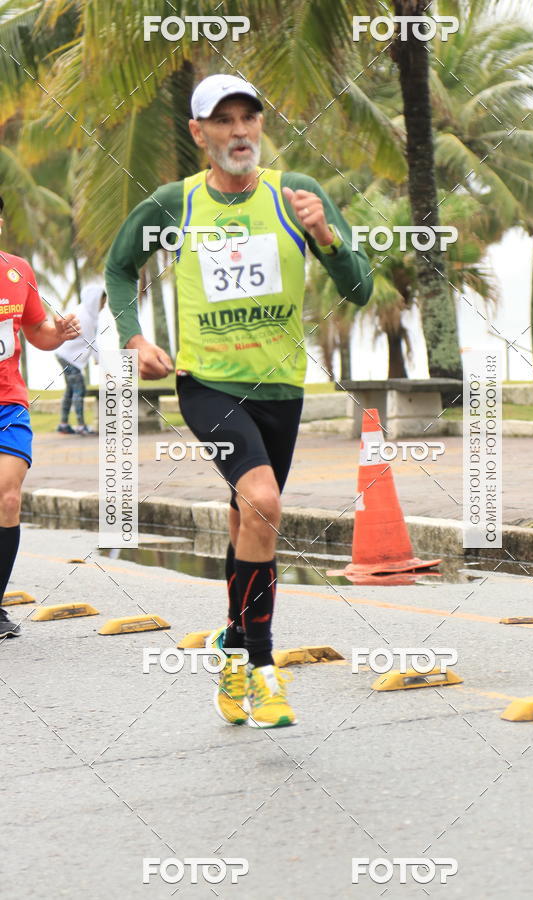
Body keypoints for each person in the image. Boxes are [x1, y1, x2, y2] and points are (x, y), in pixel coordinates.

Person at [105, 73, 373, 727]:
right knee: (264, 502)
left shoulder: (297, 197)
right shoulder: (176, 202)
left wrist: (330, 240)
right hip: (208, 384)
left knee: (251, 521)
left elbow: (360, 287)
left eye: (247, 118)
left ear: (260, 126)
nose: (238, 131)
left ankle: (230, 643)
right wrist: (135, 338)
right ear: (199, 134)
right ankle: (260, 667)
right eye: (221, 121)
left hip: (281, 388)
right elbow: (119, 266)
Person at [0, 194, 80, 637]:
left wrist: (59, 332)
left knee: (7, 498)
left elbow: (38, 335)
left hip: (7, 404)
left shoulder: (17, 272)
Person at [56, 285, 106, 435]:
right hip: (69, 357)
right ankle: (81, 426)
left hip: (64, 355)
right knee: (79, 388)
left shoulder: (83, 311)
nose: (103, 306)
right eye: (102, 303)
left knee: (71, 390)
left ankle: (63, 424)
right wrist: (102, 362)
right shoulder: (86, 317)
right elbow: (92, 342)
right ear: (95, 300)